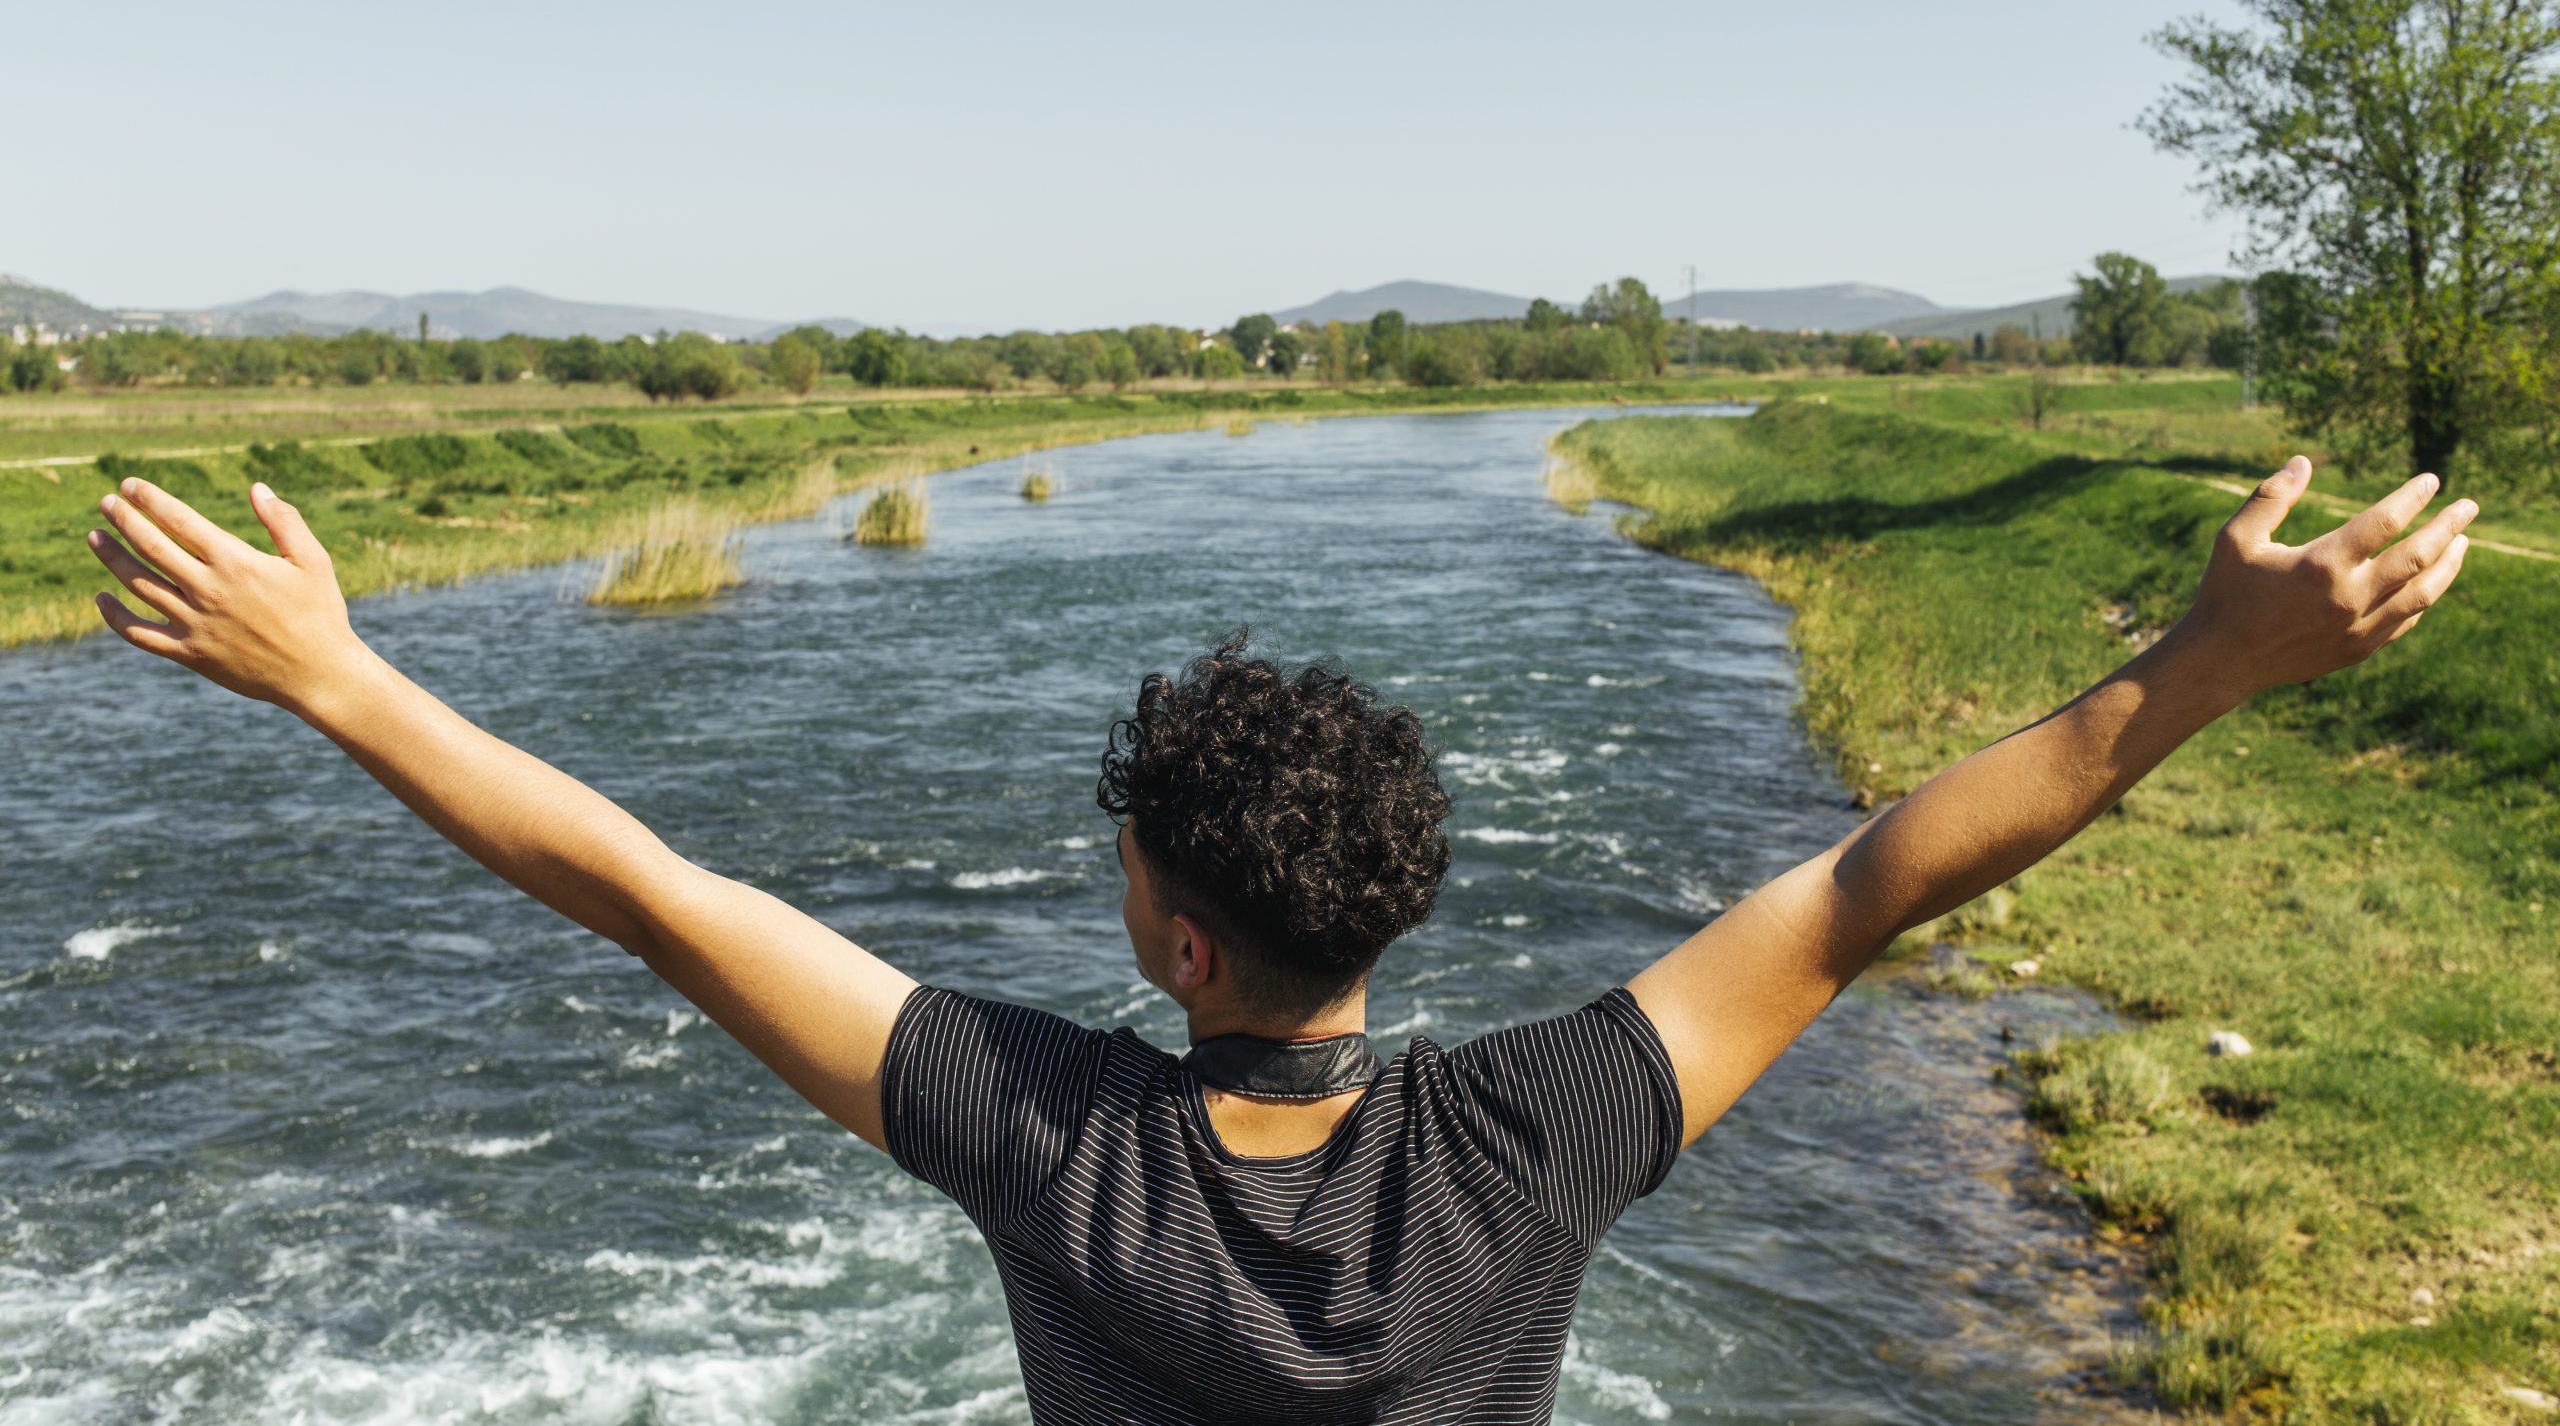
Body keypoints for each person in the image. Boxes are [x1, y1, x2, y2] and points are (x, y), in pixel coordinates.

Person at [82, 455, 2472, 1423]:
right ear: (1398, 892)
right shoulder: (1540, 1132)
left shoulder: (1046, 1139)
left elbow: (654, 895)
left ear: (1172, 935)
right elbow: (1871, 879)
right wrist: (2214, 659)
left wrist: (344, 674)